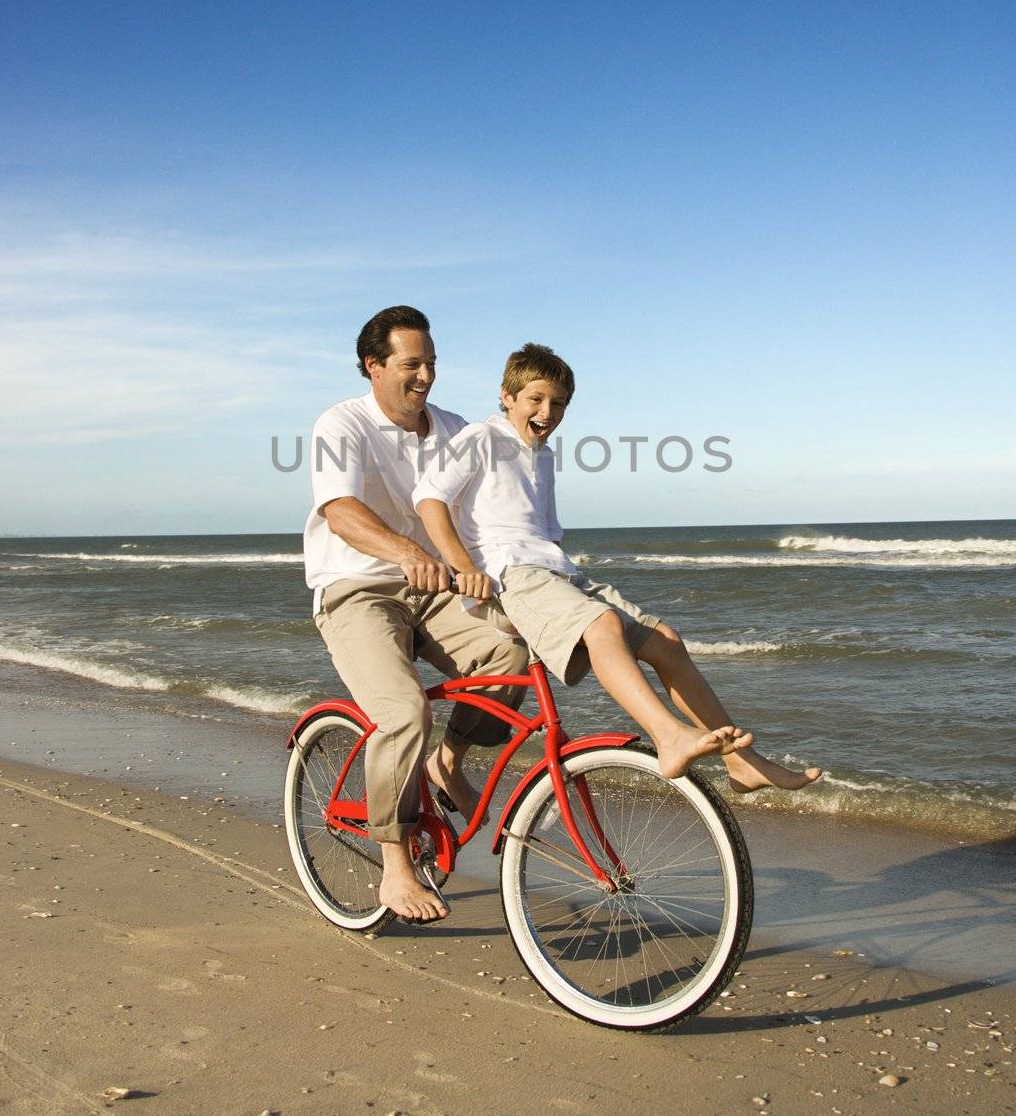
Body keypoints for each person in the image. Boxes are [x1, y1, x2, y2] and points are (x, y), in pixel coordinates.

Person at [414, 342, 821, 791]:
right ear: (507, 397)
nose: (547, 412)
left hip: (554, 572)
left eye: (559, 403)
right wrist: (462, 565)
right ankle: (668, 737)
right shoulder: (480, 438)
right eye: (536, 398)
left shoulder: (541, 456)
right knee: (603, 624)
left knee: (666, 641)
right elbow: (429, 498)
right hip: (507, 576)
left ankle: (743, 763)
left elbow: (547, 536)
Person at [304, 306, 528, 923]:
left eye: (431, 361)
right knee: (403, 712)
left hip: (434, 591)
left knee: (508, 654)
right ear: (374, 367)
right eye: (411, 364)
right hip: (358, 589)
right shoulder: (342, 423)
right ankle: (396, 866)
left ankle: (448, 762)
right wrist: (405, 551)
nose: (426, 374)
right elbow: (341, 511)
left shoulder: (455, 429)